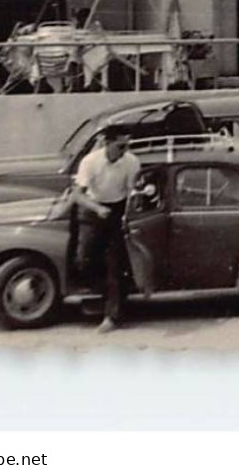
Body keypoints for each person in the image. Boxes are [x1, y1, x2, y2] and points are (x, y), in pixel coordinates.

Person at [72, 128, 142, 333]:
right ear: (107, 144)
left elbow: (132, 192)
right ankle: (103, 296)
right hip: (92, 209)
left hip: (116, 211)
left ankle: (112, 314)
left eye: (127, 145)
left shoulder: (131, 162)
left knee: (115, 263)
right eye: (120, 146)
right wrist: (97, 209)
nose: (124, 150)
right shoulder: (90, 162)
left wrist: (127, 213)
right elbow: (77, 195)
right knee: (83, 260)